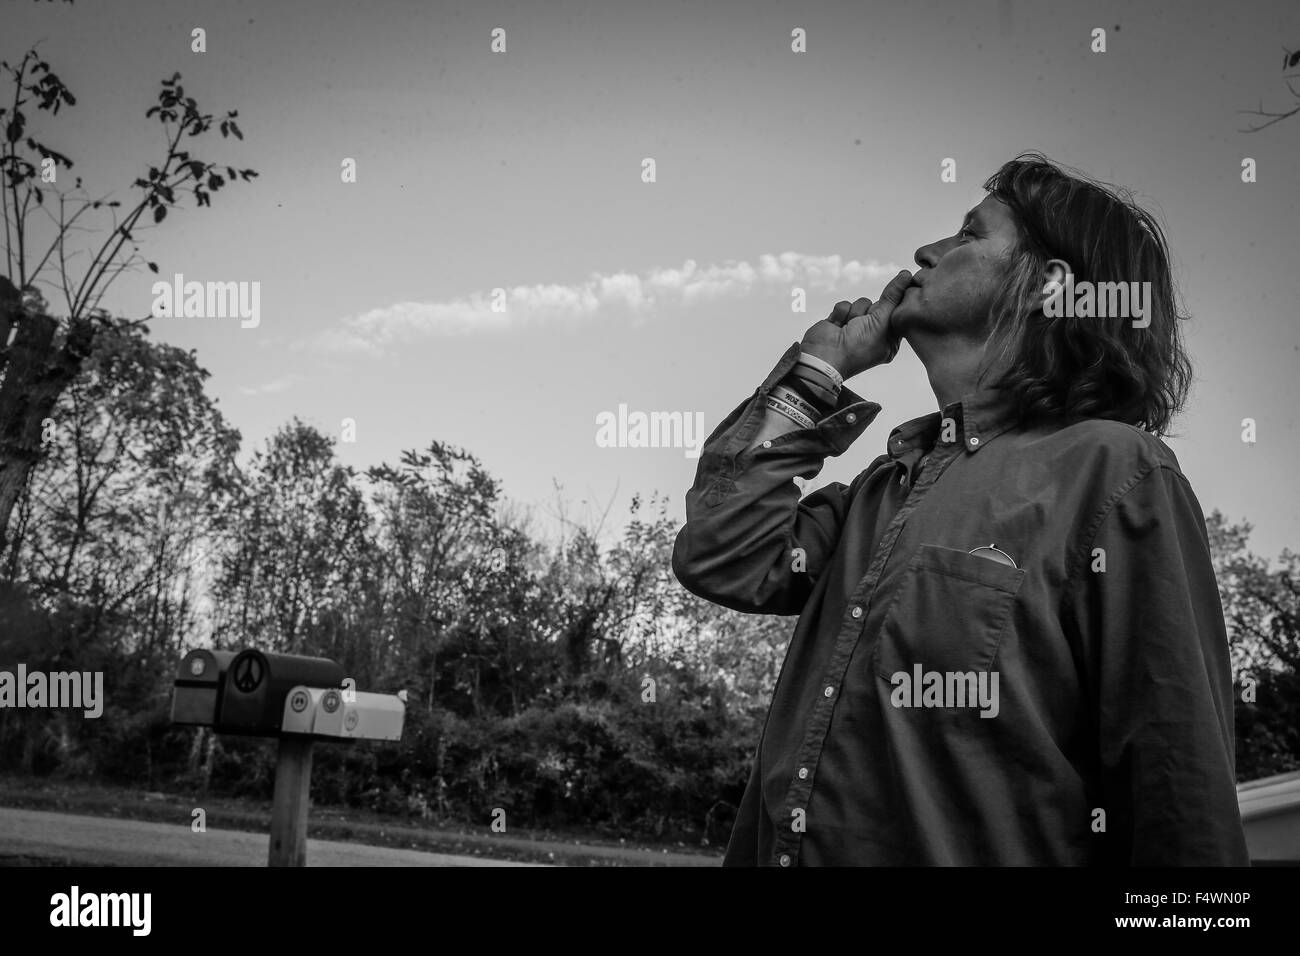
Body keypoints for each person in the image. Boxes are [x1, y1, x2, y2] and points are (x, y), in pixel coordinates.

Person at [671, 152, 1250, 866]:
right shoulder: (886, 485)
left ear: (1049, 285)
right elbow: (723, 557)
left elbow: (1178, 791)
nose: (925, 253)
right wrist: (817, 375)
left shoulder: (1116, 472)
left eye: (969, 234)